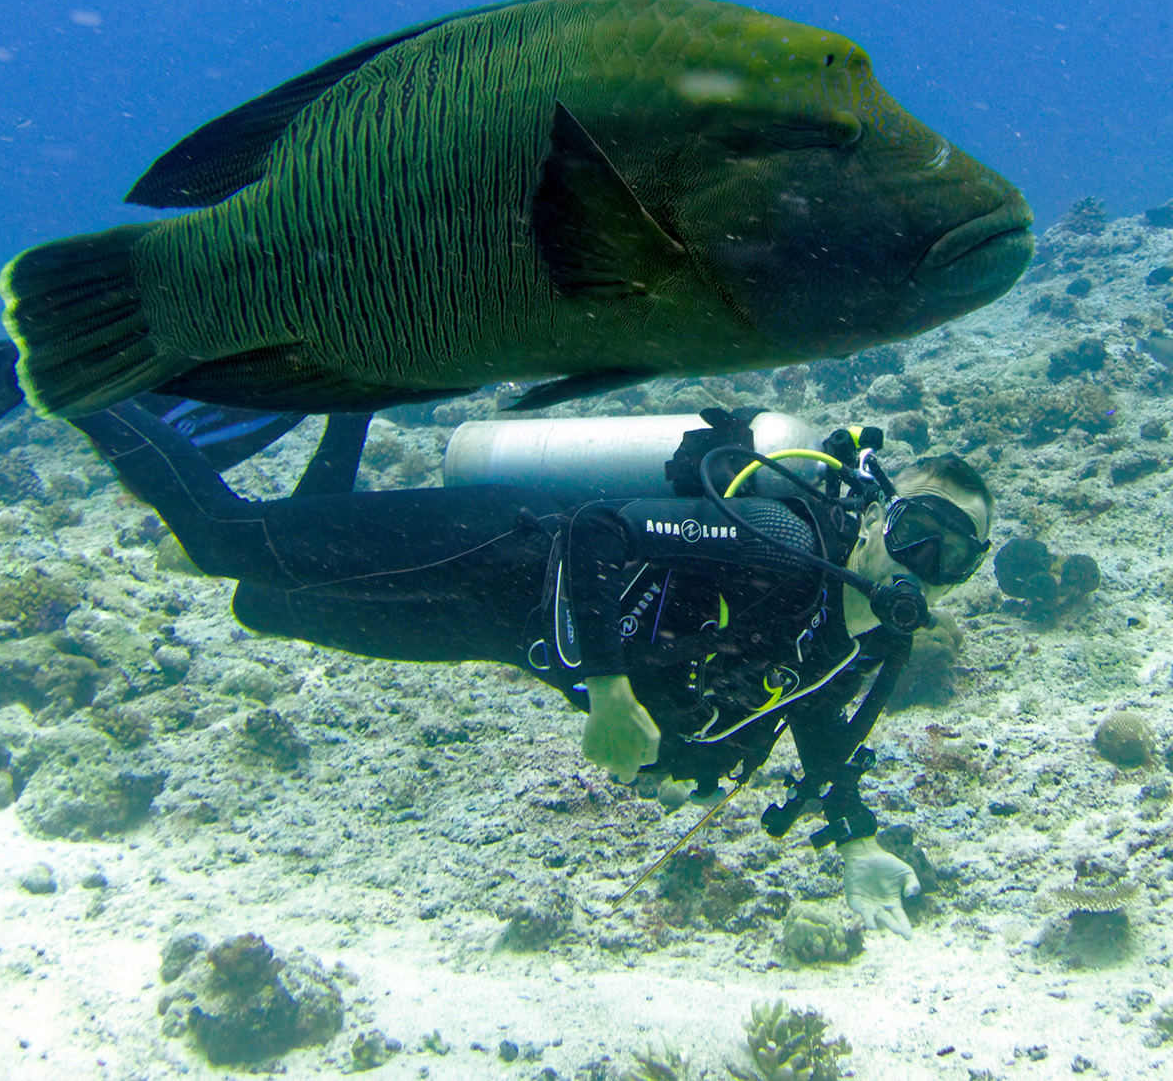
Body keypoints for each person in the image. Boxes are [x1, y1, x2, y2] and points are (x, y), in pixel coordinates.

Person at [64, 399, 995, 939]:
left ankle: (350, 406)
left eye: (954, 557)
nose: (924, 566)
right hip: (497, 548)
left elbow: (821, 718)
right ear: (878, 515)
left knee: (263, 603)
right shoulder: (782, 537)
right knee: (222, 537)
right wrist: (611, 690)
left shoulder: (867, 638)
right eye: (917, 532)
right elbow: (598, 530)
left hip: (500, 630)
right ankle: (72, 380)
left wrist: (858, 843)